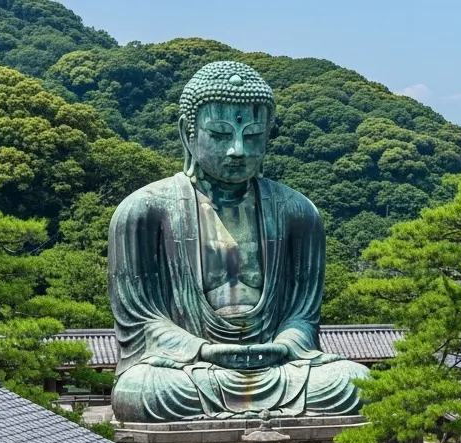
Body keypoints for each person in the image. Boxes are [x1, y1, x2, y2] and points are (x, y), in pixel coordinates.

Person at [107, 59, 368, 422]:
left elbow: (302, 316)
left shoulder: (298, 212)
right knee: (143, 390)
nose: (238, 150)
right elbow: (140, 320)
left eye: (253, 136)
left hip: (278, 365)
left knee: (352, 382)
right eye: (220, 134)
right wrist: (203, 351)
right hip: (190, 370)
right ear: (188, 133)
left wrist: (281, 347)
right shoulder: (145, 210)